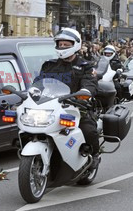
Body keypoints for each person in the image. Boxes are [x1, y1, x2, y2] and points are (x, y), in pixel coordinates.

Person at [34, 28, 100, 168]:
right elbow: (38, 84)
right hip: (51, 107)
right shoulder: (49, 65)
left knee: (88, 129)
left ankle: (94, 155)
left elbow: (90, 83)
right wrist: (30, 93)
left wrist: (84, 93)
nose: (62, 47)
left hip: (76, 108)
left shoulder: (85, 66)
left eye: (66, 44)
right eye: (60, 44)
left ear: (75, 45)